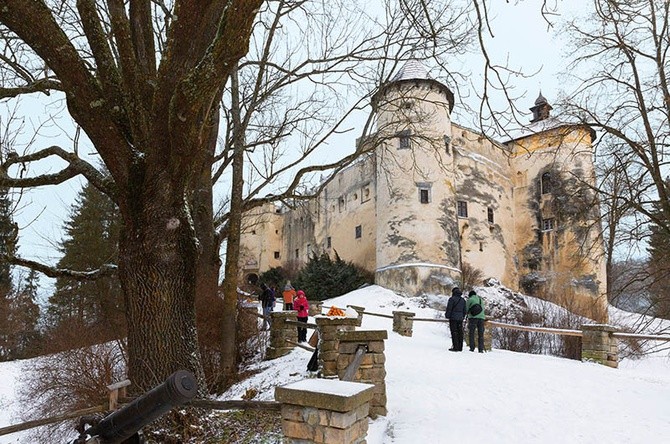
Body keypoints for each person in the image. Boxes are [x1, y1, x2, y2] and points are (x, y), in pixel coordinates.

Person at [445, 287, 466, 351]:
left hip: (453, 318)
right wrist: (462, 316)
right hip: (460, 318)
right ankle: (460, 347)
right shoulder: (463, 300)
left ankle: (455, 347)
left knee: (454, 332)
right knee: (460, 332)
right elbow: (465, 310)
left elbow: (449, 308)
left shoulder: (452, 299)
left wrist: (447, 316)